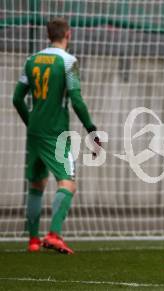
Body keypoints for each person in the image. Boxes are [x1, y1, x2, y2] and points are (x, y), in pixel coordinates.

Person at [12, 18, 100, 254]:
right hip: (56, 133)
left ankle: (33, 241)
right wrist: (91, 128)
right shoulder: (68, 62)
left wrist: (30, 122)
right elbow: (76, 100)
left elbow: (17, 99)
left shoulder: (31, 61)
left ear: (48, 35)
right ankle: (53, 234)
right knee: (68, 183)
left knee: (36, 185)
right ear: (68, 35)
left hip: (35, 131)